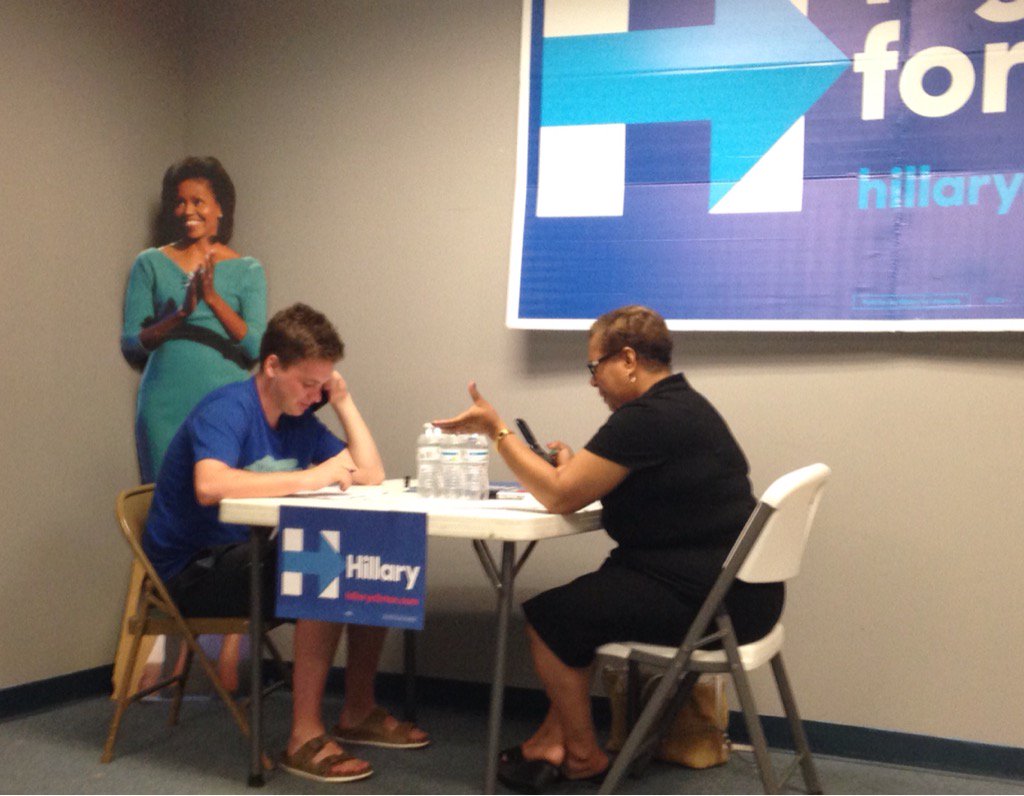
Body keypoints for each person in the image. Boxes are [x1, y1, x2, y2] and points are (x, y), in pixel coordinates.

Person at [434, 305, 783, 792]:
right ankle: (552, 740)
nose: (592, 381)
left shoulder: (645, 418)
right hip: (741, 593)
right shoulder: (682, 404)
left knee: (550, 620)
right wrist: (576, 468)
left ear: (627, 359)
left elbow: (559, 495)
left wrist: (497, 430)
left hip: (713, 607)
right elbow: (625, 485)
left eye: (594, 368)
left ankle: (581, 756)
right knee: (584, 608)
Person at [143, 303, 429, 783]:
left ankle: (357, 710)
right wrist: (311, 476)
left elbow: (370, 473)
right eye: (308, 383)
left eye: (323, 383)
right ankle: (303, 735)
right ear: (272, 366)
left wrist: (342, 400)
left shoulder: (298, 416)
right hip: (191, 572)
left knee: (367, 556)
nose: (314, 394)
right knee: (321, 566)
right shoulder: (227, 408)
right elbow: (209, 485)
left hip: (240, 557)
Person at [118, 156, 266, 697]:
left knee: (231, 517)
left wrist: (212, 301)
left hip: (226, 406)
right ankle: (168, 660)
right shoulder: (149, 265)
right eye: (179, 202)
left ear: (221, 209)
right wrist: (179, 316)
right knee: (168, 519)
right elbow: (132, 344)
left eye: (198, 201)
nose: (187, 211)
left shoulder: (247, 269)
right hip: (163, 403)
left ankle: (229, 654)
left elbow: (253, 348)